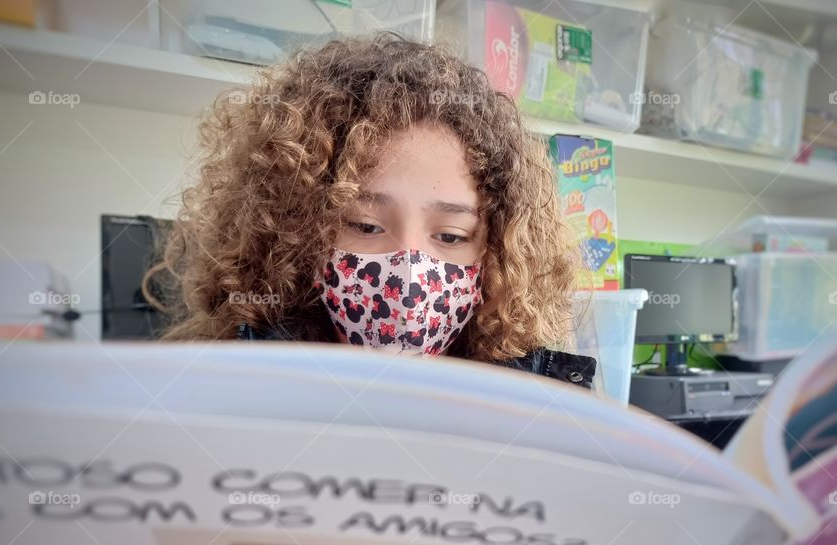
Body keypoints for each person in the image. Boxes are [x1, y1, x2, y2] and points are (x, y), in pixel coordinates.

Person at [145, 35, 596, 388]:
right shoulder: (220, 388)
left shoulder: (540, 407)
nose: (411, 276)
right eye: (365, 226)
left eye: (452, 236)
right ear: (294, 234)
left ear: (496, 251)